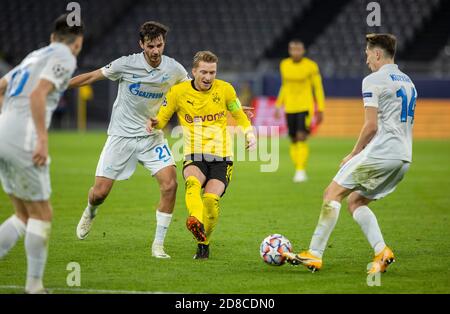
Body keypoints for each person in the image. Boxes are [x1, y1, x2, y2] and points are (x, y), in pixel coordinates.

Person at [284, 34, 416, 274]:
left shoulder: (373, 80)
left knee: (332, 192)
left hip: (382, 152)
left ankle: (314, 254)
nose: (367, 61)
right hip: (403, 157)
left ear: (377, 54)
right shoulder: (408, 81)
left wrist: (354, 153)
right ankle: (381, 251)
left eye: (367, 55)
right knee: (356, 201)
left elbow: (371, 126)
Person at [69, 21, 189, 259]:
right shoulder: (125, 64)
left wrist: (231, 106)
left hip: (152, 137)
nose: (156, 51)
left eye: (160, 45)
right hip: (121, 137)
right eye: (151, 46)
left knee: (170, 185)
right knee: (99, 193)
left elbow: (193, 92)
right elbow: (92, 76)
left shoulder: (174, 69)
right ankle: (90, 211)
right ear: (141, 44)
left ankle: (158, 245)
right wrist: (58, 86)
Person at [0, 14, 83, 293]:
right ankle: (34, 286)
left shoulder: (34, 55)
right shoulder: (65, 56)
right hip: (24, 139)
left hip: (3, 134)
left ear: (53, 37)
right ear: (78, 42)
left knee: (23, 215)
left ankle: (34, 286)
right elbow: (38, 95)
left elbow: (1, 86)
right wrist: (42, 140)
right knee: (42, 214)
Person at [147, 51, 256, 259]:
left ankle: (203, 242)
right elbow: (162, 118)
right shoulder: (178, 92)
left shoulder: (225, 89)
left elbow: (238, 114)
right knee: (192, 183)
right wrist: (155, 124)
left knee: (211, 202)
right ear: (194, 71)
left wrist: (249, 134)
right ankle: (194, 220)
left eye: (212, 72)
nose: (208, 77)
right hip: (194, 153)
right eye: (204, 72)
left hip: (222, 157)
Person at [275, 40, 325, 182]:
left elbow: (318, 87)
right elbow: (285, 86)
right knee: (293, 139)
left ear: (303, 50)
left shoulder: (311, 66)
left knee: (301, 136)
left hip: (305, 106)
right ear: (290, 51)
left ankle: (300, 170)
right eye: (293, 49)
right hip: (290, 107)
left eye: (298, 49)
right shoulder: (284, 64)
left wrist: (320, 108)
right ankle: (298, 166)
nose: (296, 52)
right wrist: (279, 104)